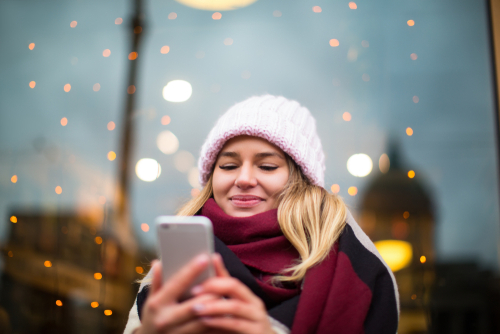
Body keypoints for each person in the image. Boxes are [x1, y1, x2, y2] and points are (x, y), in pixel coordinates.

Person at [123, 95, 399, 334]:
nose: (243, 178)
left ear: (301, 181)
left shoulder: (355, 267)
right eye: (229, 165)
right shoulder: (177, 264)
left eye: (267, 166)